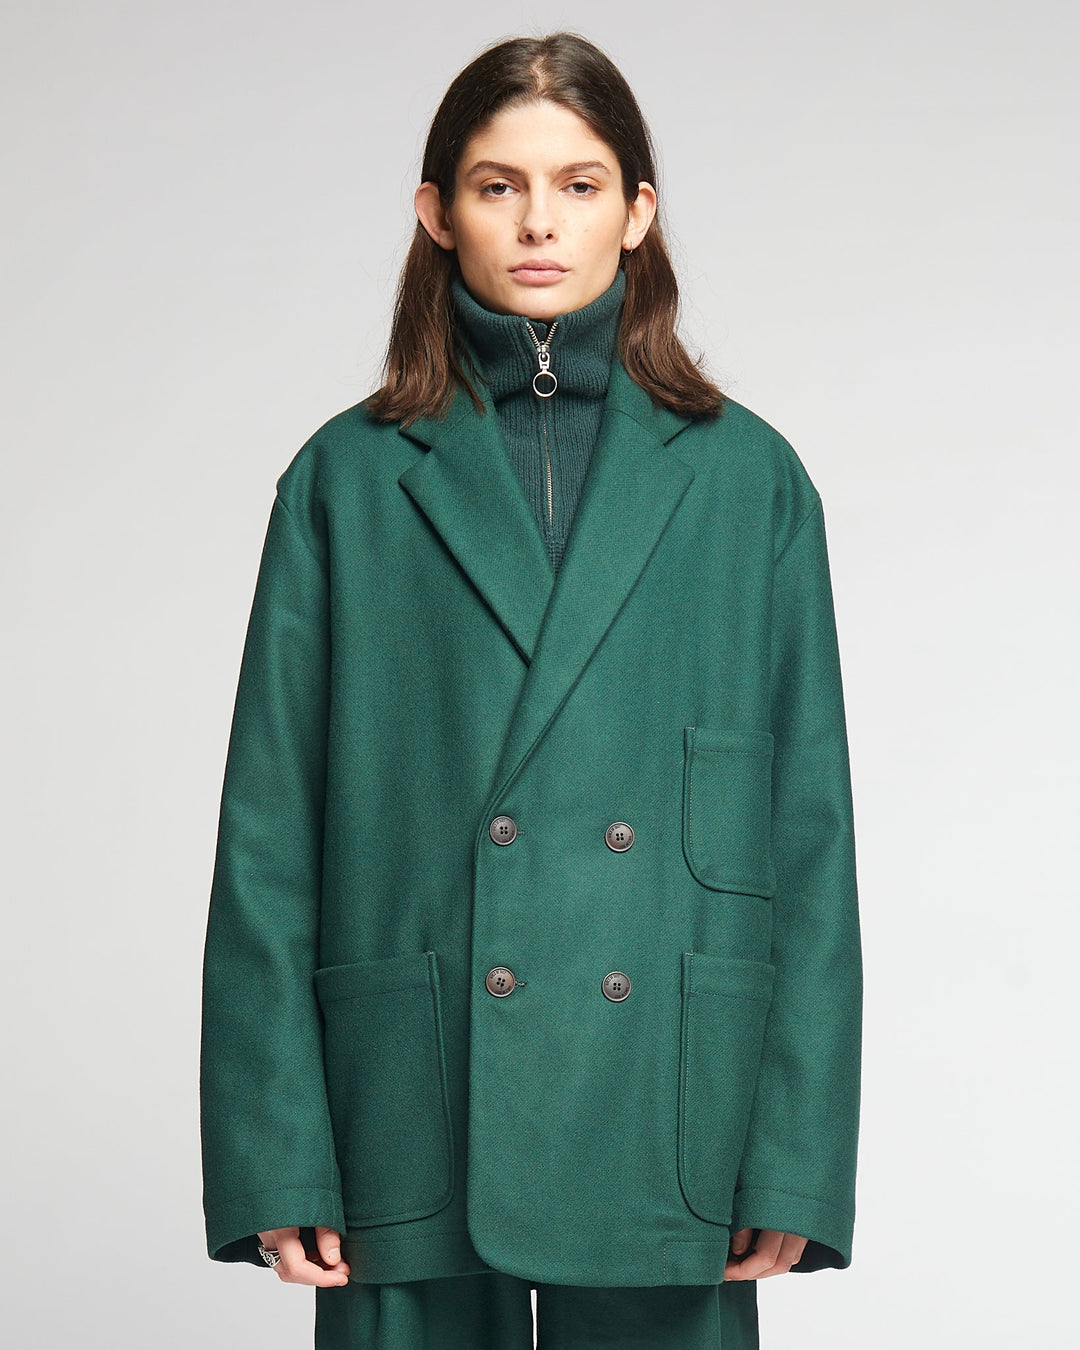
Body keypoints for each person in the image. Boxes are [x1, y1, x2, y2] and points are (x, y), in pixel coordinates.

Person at [199, 30, 863, 1350]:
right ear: (436, 212)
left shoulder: (748, 481)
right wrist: (276, 1154)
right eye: (498, 185)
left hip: (670, 1088)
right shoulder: (346, 479)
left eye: (580, 184)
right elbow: (267, 838)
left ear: (639, 212)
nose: (540, 221)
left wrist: (795, 1157)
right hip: (412, 1082)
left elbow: (808, 836)